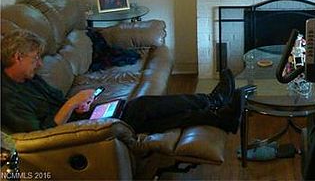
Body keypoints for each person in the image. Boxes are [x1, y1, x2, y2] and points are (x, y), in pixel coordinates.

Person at [1, 29, 243, 135]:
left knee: (147, 118)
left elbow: (57, 102)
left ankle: (219, 116)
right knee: (141, 108)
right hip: (71, 136)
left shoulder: (28, 79)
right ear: (17, 57)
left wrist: (79, 105)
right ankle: (212, 102)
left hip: (78, 119)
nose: (39, 64)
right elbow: (41, 135)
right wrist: (73, 103)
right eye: (34, 59)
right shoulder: (7, 97)